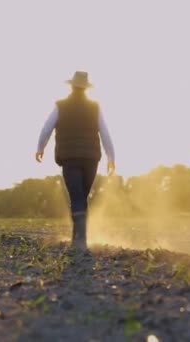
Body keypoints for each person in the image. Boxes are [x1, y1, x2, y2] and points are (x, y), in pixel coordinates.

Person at [36, 71, 115, 251]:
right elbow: (105, 133)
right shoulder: (95, 107)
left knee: (77, 197)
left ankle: (79, 241)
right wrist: (111, 157)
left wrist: (40, 147)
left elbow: (46, 127)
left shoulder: (61, 106)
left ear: (71, 86)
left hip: (70, 157)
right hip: (91, 159)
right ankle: (79, 238)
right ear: (86, 88)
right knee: (81, 197)